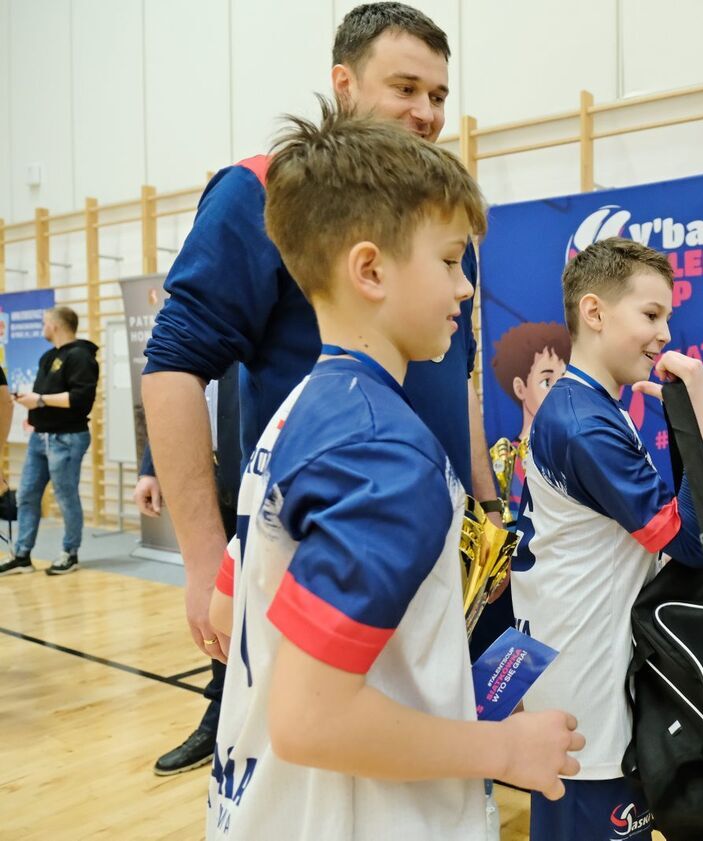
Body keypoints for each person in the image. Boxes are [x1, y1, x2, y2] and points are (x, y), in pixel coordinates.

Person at [204, 103, 582, 838]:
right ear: (370, 269)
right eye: (447, 261)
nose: (465, 288)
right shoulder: (383, 450)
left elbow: (227, 614)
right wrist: (503, 745)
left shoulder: (296, 415)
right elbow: (313, 719)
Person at [141, 2, 501, 669]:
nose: (426, 111)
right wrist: (201, 559)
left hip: (437, 555)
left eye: (439, 95)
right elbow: (171, 366)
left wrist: (487, 509)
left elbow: (461, 377)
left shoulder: (444, 222)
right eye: (405, 88)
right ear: (344, 84)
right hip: (321, 560)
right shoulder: (264, 192)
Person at [511, 237, 703, 840]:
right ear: (595, 312)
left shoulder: (588, 407)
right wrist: (700, 424)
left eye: (668, 319)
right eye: (651, 315)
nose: (665, 336)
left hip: (581, 663)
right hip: (589, 683)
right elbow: (688, 541)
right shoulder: (586, 424)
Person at [134, 365, 241, 776]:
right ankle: (218, 718)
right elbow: (173, 376)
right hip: (205, 477)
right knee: (219, 612)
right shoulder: (194, 319)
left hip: (262, 471)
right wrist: (151, 465)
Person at [0, 307, 98, 576]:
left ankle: (70, 552)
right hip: (40, 437)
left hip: (66, 438)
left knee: (66, 497)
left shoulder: (81, 356)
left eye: (44, 322)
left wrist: (40, 400)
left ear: (55, 325)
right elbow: (47, 394)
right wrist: (31, 399)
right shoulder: (48, 357)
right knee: (27, 495)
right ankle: (22, 555)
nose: (42, 326)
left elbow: (80, 400)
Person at [488, 320, 572, 523]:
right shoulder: (504, 458)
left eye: (564, 379)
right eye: (546, 382)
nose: (558, 392)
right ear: (520, 388)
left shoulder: (575, 450)